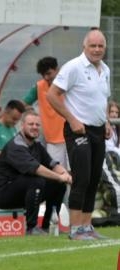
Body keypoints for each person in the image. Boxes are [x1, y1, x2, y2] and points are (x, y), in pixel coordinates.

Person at [46, 28, 112, 240]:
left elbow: (103, 99)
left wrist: (107, 121)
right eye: (93, 45)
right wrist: (72, 120)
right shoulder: (73, 67)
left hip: (98, 130)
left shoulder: (105, 69)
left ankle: (86, 227)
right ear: (84, 47)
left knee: (94, 179)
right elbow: (52, 95)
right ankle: (75, 229)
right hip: (78, 129)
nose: (97, 49)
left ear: (105, 48)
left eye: (100, 46)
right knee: (81, 177)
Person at [0, 110, 72, 235]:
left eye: (37, 125)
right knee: (36, 180)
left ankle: (48, 225)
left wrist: (65, 175)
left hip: (23, 191)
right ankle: (31, 228)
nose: (34, 127)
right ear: (22, 125)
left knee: (58, 185)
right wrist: (59, 177)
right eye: (31, 124)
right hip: (2, 195)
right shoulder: (16, 146)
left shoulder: (37, 145)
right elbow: (37, 169)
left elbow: (52, 164)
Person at [22, 57, 69, 171]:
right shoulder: (39, 86)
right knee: (57, 172)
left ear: (57, 70)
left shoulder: (69, 83)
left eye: (49, 73)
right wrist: (31, 112)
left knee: (75, 171)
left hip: (71, 133)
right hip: (52, 138)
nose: (46, 77)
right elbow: (23, 104)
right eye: (43, 74)